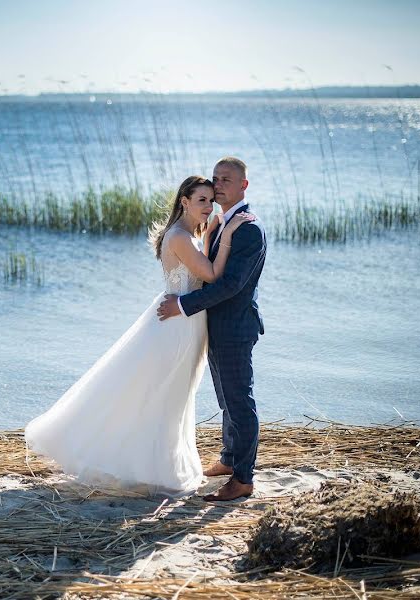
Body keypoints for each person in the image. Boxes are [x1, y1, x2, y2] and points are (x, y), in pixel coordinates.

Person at [24, 175, 254, 497]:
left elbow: (198, 269)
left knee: (173, 397)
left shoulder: (188, 235)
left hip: (186, 321)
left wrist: (212, 233)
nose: (208, 206)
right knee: (165, 397)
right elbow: (213, 275)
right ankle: (153, 468)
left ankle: (160, 463)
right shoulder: (178, 238)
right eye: (200, 200)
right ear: (184, 201)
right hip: (176, 326)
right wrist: (227, 232)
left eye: (210, 200)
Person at [157, 157, 267, 502]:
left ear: (243, 185)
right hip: (214, 325)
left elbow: (231, 285)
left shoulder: (247, 228)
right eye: (216, 178)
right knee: (226, 399)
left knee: (239, 401)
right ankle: (230, 460)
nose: (218, 185)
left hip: (235, 327)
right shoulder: (220, 222)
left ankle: (243, 479)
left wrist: (184, 305)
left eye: (227, 180)